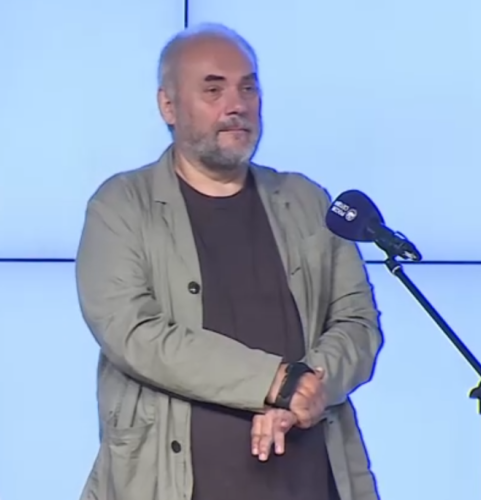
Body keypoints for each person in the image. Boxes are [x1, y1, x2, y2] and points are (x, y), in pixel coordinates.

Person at [75, 23, 382, 500]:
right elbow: (133, 332)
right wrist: (275, 382)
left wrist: (307, 388)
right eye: (213, 90)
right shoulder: (122, 206)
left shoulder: (305, 200)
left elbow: (357, 323)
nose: (236, 105)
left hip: (309, 480)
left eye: (248, 88)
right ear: (168, 106)